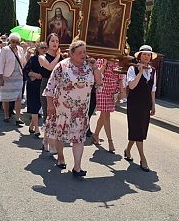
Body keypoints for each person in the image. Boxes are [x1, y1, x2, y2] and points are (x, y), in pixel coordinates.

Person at [43, 40, 102, 177]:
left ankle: (77, 167)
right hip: (62, 109)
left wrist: (95, 68)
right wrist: (50, 105)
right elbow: (50, 87)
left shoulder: (89, 67)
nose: (83, 55)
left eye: (85, 52)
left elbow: (99, 83)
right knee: (60, 134)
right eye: (80, 52)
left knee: (79, 138)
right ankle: (61, 157)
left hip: (81, 111)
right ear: (71, 53)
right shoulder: (62, 66)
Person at [124, 45, 157, 172]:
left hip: (145, 104)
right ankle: (143, 158)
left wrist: (153, 105)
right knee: (137, 129)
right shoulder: (132, 69)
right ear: (139, 56)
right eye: (144, 54)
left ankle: (127, 150)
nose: (146, 57)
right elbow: (131, 86)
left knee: (140, 130)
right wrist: (141, 71)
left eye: (148, 55)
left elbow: (153, 89)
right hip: (134, 103)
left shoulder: (153, 70)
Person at [39, 33, 63, 153]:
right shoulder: (42, 57)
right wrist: (58, 57)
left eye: (57, 41)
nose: (55, 43)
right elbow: (50, 67)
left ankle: (46, 141)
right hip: (46, 88)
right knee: (48, 115)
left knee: (57, 117)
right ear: (48, 43)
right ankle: (51, 144)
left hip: (59, 89)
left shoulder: (62, 57)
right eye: (52, 41)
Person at [92, 58, 121, 153]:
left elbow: (120, 77)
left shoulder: (117, 61)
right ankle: (110, 141)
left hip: (112, 91)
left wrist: (120, 91)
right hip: (102, 89)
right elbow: (98, 75)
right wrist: (104, 64)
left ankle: (95, 135)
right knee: (106, 115)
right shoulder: (101, 59)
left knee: (104, 115)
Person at [0, 32, 26, 125]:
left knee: (18, 98)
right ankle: (6, 116)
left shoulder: (21, 49)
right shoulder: (5, 50)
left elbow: (24, 62)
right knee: (6, 97)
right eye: (13, 41)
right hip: (7, 76)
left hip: (18, 77)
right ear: (10, 41)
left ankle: (18, 118)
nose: (15, 44)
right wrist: (1, 77)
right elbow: (1, 64)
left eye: (17, 42)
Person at [24, 42, 47, 136]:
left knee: (39, 106)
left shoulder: (48, 60)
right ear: (37, 49)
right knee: (34, 106)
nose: (44, 49)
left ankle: (31, 125)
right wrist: (35, 75)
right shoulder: (33, 59)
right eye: (42, 48)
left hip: (43, 85)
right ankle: (37, 129)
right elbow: (26, 70)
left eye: (46, 47)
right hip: (33, 84)